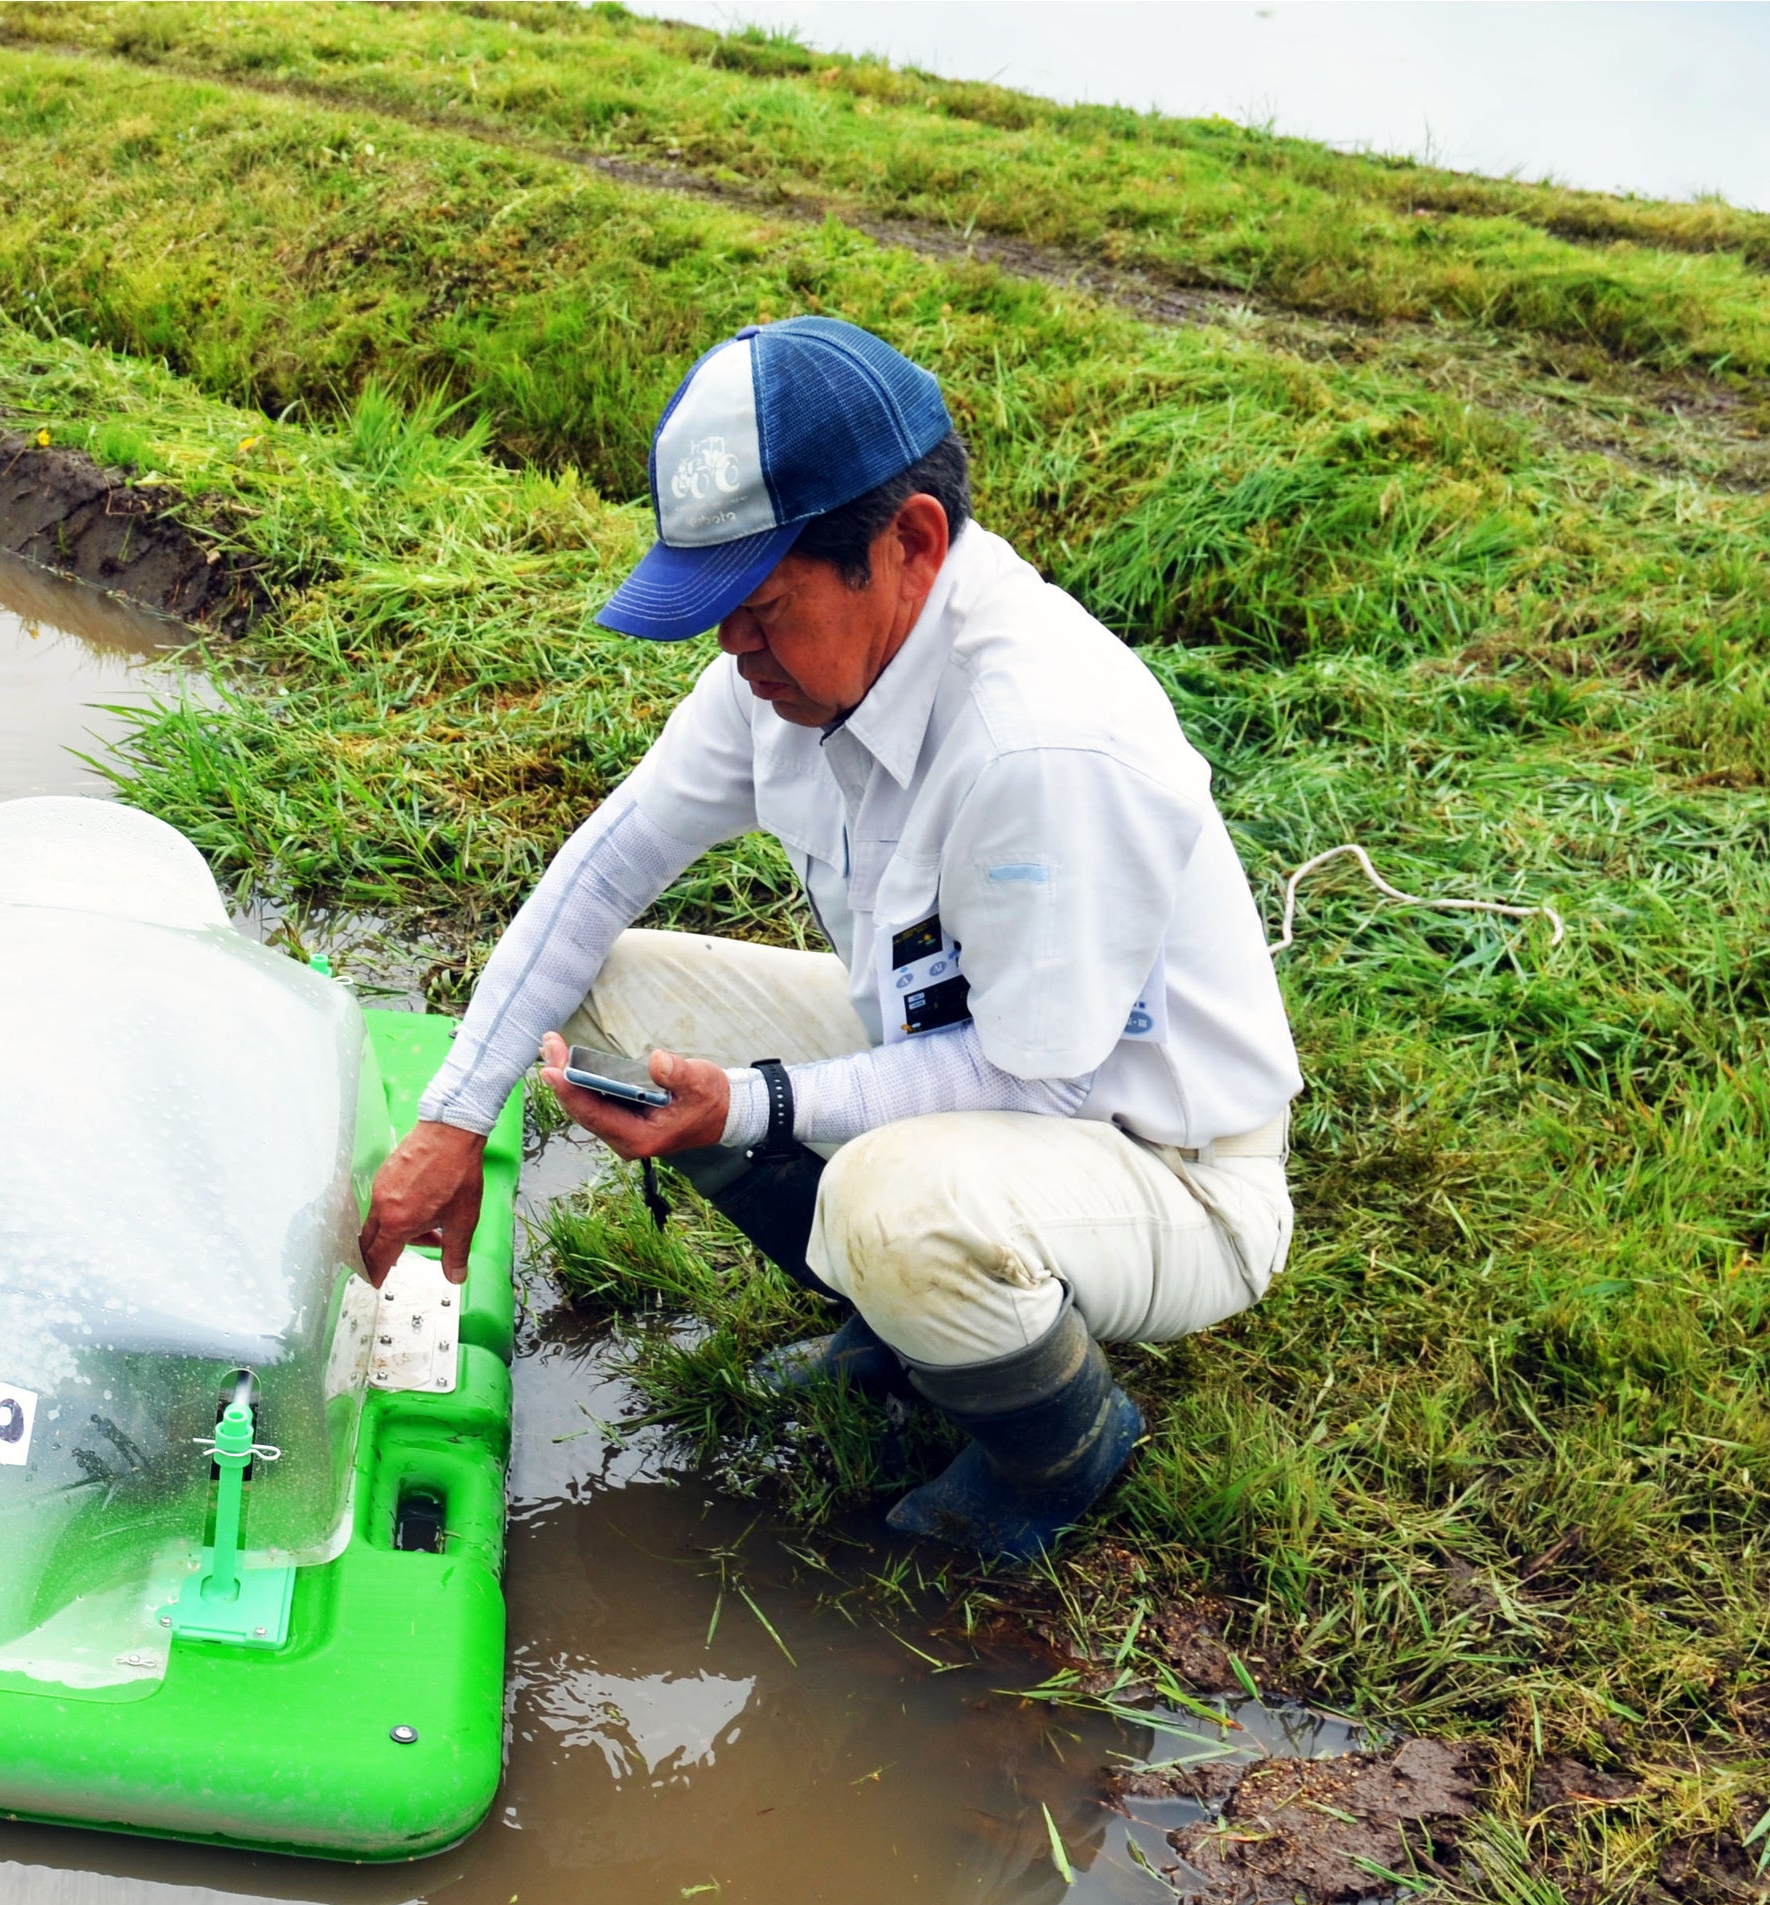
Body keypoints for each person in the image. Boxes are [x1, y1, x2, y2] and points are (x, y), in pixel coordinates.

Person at [359, 316, 1300, 1561]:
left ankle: (1057, 1442)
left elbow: (1042, 1079)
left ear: (909, 544)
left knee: (889, 1201)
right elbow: (609, 865)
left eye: (758, 607)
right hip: (958, 1062)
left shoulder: (1040, 743)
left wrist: (751, 1105)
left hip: (1162, 1157)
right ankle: (904, 1320)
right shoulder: (785, 673)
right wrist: (452, 1121)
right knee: (617, 1008)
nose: (731, 652)